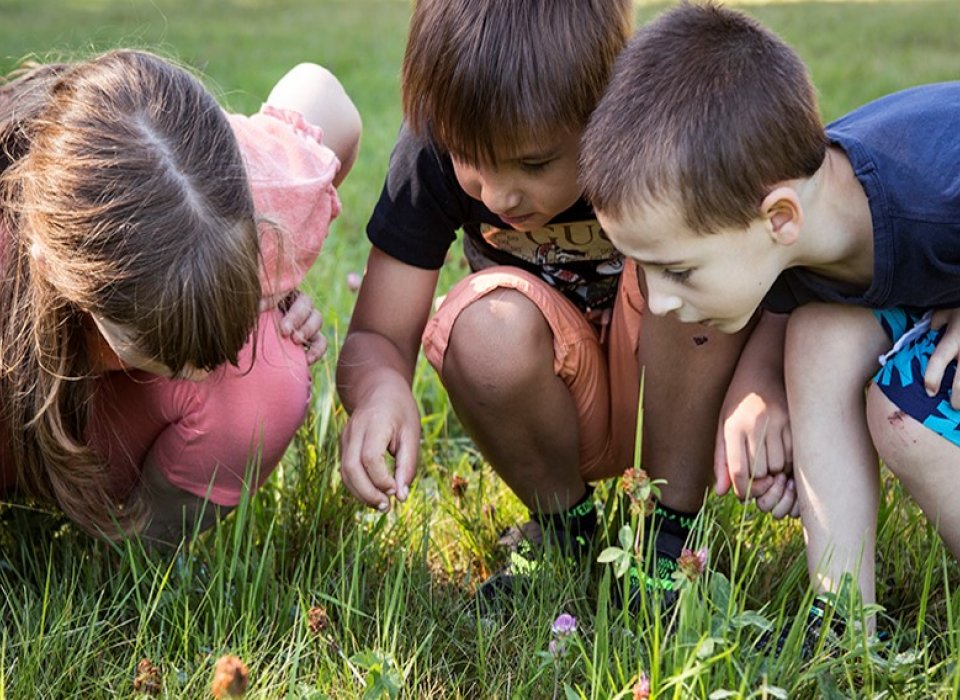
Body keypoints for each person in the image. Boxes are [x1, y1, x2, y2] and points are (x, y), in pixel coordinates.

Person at [337, 0, 794, 606]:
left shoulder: (663, 130)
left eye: (534, 162)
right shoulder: (435, 143)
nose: (499, 193)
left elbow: (780, 257)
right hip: (553, 405)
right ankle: (563, 531)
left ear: (608, 106)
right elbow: (378, 336)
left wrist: (766, 382)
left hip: (674, 396)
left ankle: (668, 537)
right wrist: (380, 389)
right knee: (483, 328)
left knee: (686, 281)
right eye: (469, 159)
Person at [580, 0, 960, 638]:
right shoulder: (795, 218)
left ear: (780, 219)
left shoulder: (934, 200)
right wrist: (758, 385)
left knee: (907, 419)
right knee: (819, 338)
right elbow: (790, 305)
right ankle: (845, 619)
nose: (661, 300)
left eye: (679, 270)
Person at [0, 50, 361, 545]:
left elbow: (322, 92)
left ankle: (134, 562)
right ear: (53, 267)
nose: (195, 372)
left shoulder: (245, 203)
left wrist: (268, 290)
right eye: (158, 352)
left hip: (91, 413)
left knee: (267, 375)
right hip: (18, 395)